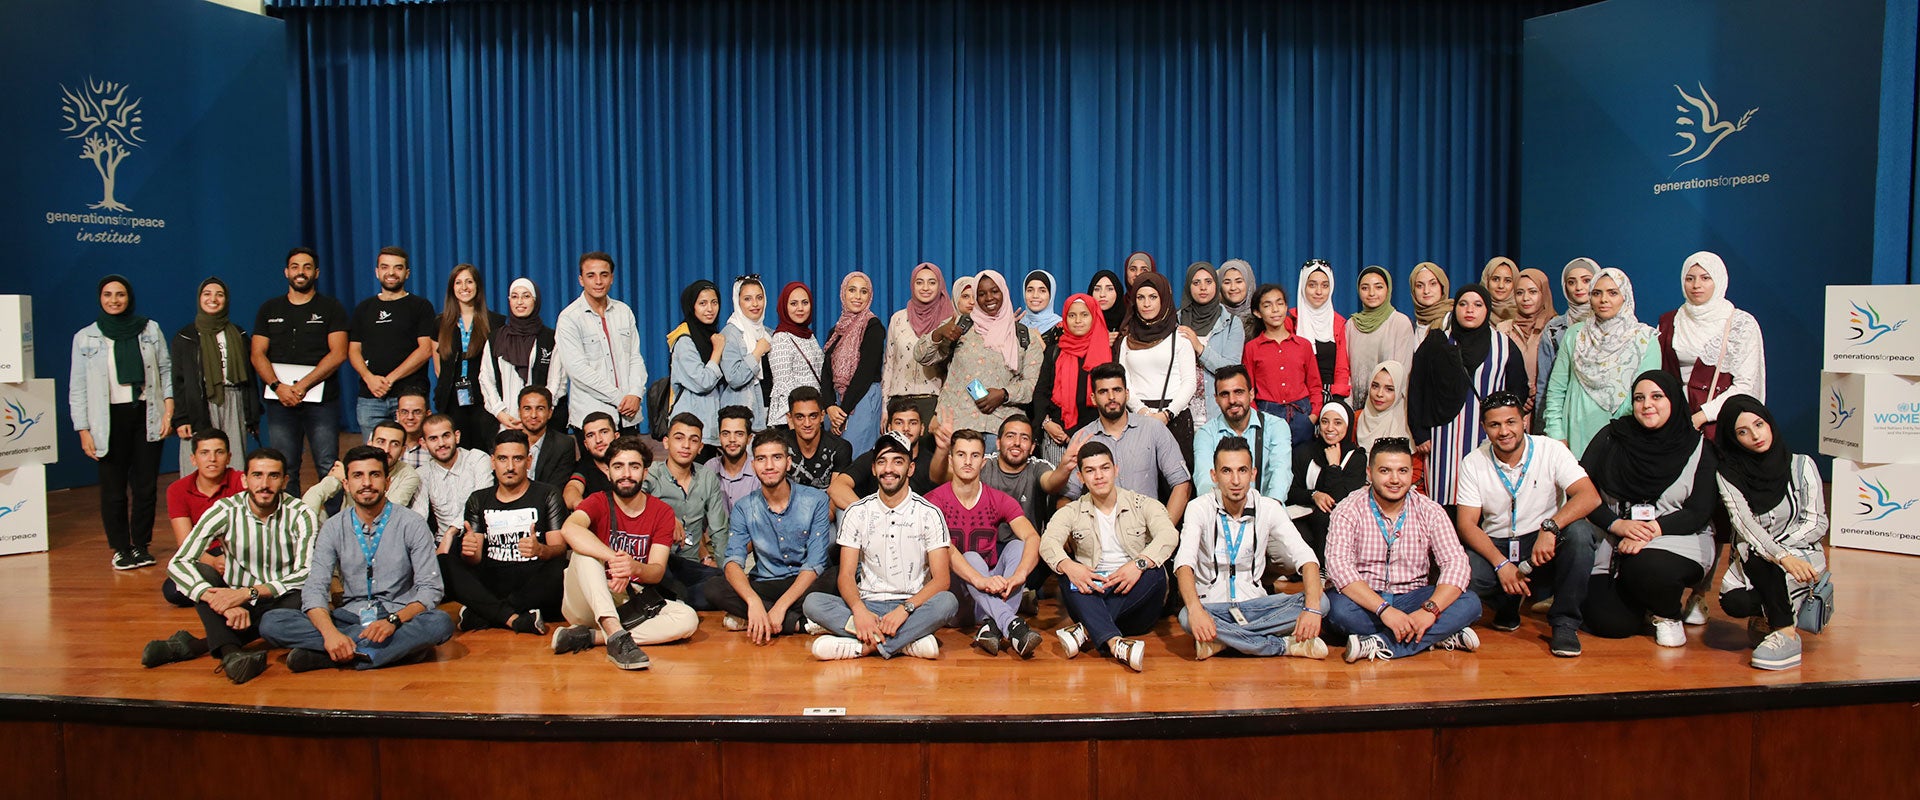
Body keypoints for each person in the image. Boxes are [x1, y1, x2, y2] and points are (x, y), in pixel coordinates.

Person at [261, 445, 455, 671]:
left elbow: (430, 590)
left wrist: (394, 621)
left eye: (374, 475)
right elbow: (315, 590)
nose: (366, 483)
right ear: (346, 484)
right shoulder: (333, 527)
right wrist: (331, 634)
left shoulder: (412, 524)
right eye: (357, 476)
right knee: (272, 622)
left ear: (387, 482)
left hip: (398, 618)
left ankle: (329, 656)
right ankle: (381, 652)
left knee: (439, 623)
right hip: (350, 617)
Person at [141, 447, 319, 684]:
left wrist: (248, 593)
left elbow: (306, 573)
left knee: (297, 601)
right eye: (257, 475)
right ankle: (232, 655)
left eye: (273, 476)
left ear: (285, 481)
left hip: (279, 596)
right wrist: (220, 602)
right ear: (244, 479)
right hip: (233, 597)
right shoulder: (224, 510)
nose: (264, 484)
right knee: (201, 574)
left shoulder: (301, 514)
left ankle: (196, 646)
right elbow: (179, 562)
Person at [1453, 392, 1602, 657]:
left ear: (1524, 420)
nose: (1504, 431)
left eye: (1510, 422)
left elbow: (1589, 496)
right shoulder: (1473, 462)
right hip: (1497, 545)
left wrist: (1551, 527)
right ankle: (1507, 604)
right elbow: (1467, 525)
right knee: (1466, 573)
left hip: (1541, 542)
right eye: (1494, 425)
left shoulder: (1551, 449)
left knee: (1580, 534)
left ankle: (1565, 623)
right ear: (1484, 427)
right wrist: (1501, 565)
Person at [1579, 371, 1718, 648]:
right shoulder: (1612, 436)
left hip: (1678, 538)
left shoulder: (1699, 447)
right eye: (1639, 398)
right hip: (1616, 537)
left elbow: (1698, 511)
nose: (1647, 405)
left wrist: (1649, 531)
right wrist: (1617, 525)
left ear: (1674, 401)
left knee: (1647, 567)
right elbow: (1582, 491)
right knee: (1609, 624)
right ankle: (1644, 602)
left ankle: (1668, 615)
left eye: (1657, 397)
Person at [803, 432, 959, 660]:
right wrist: (859, 611)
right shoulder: (857, 512)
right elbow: (846, 576)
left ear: (910, 468)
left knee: (947, 602)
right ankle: (905, 643)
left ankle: (863, 646)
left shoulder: (929, 513)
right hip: (868, 603)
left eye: (898, 461)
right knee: (813, 603)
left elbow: (942, 579)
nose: (889, 469)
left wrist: (904, 610)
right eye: (882, 461)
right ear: (874, 469)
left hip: (912, 607)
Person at [549, 436, 700, 669]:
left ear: (645, 472)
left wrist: (634, 568)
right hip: (585, 601)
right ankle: (616, 637)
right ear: (608, 473)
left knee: (687, 620)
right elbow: (570, 528)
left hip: (628, 601)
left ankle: (592, 637)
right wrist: (614, 560)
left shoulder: (661, 512)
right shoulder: (597, 501)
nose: (626, 473)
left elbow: (656, 572)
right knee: (584, 554)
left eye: (634, 466)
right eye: (618, 466)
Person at [1324, 438, 1481, 662]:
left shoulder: (1430, 510)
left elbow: (1455, 563)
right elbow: (1340, 568)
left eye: (1402, 471)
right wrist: (1385, 611)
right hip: (1366, 600)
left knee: (1470, 602)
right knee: (1336, 610)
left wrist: (1430, 611)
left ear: (1411, 473)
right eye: (1385, 471)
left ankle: (1380, 643)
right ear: (1369, 473)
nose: (1395, 480)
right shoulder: (1348, 509)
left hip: (1413, 599)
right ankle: (1433, 635)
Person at [1177, 437, 1329, 660]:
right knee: (1186, 616)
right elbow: (1184, 564)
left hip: (1256, 605)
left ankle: (1223, 641)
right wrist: (1197, 611)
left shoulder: (1268, 507)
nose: (1236, 480)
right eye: (1227, 471)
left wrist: (1313, 609)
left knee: (1322, 602)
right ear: (1214, 475)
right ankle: (1282, 645)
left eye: (1242, 470)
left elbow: (1306, 557)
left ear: (1253, 474)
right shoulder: (1198, 508)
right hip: (1214, 607)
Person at [1713, 396, 1827, 670]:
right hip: (1758, 557)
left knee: (1763, 560)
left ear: (1769, 422)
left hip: (1802, 555)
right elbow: (1744, 524)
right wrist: (1779, 555)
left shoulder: (1801, 465)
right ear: (1732, 438)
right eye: (1742, 432)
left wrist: (1785, 553)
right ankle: (1779, 618)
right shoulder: (1728, 473)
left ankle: (1784, 632)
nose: (1755, 435)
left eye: (1759, 424)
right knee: (1735, 600)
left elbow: (1816, 523)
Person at [1041, 441, 1176, 671]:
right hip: (1092, 592)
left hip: (1136, 602)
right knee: (1067, 573)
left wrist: (1138, 564)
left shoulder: (1141, 504)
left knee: (1155, 572)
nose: (1099, 476)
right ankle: (1116, 643)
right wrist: (1068, 565)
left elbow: (1169, 535)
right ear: (1081, 477)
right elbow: (1048, 541)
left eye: (1104, 468)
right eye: (1090, 471)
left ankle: (1085, 630)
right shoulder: (1072, 511)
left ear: (1116, 469)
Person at [71, 274, 172, 570]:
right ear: (100, 299)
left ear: (129, 298)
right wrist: (83, 430)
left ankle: (140, 545)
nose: (114, 300)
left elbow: (166, 371)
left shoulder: (150, 329)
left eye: (120, 294)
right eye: (107, 295)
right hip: (107, 420)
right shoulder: (86, 337)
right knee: (113, 490)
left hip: (145, 413)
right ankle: (120, 548)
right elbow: (77, 387)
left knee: (145, 487)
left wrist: (168, 410)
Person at [701, 429, 837, 642]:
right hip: (767, 583)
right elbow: (733, 562)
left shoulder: (815, 500)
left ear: (788, 462)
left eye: (777, 458)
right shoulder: (744, 507)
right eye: (762, 459)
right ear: (754, 465)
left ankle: (762, 619)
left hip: (806, 583)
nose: (770, 466)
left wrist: (780, 607)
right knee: (713, 587)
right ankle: (800, 624)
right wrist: (753, 602)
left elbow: (815, 564)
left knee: (837, 576)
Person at [1407, 284, 1529, 507]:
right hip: (1443, 438)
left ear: (1487, 309)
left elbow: (1518, 391)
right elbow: (1417, 387)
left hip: (1489, 437)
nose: (1469, 310)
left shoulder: (1504, 345)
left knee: (1486, 498)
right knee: (1446, 500)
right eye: (1463, 304)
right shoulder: (1437, 342)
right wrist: (1420, 433)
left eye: (1477, 305)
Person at [928, 429, 1044, 658]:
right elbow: (945, 552)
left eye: (974, 455)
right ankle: (1011, 624)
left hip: (990, 598)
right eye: (961, 455)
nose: (968, 461)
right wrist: (980, 580)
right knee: (970, 556)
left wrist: (1020, 575)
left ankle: (992, 627)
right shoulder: (933, 501)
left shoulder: (997, 499)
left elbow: (1033, 537)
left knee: (1018, 547)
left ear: (984, 461)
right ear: (951, 460)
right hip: (956, 601)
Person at [444, 430, 569, 635]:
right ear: (493, 462)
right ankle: (514, 619)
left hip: (534, 582)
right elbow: (474, 560)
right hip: (493, 580)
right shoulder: (478, 499)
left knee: (559, 569)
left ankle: (485, 613)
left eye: (517, 459)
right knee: (444, 562)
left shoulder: (548, 494)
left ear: (528, 462)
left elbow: (560, 549)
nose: (510, 467)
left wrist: (541, 550)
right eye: (503, 459)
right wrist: (469, 551)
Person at [253, 247, 349, 492]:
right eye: (295, 267)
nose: (300, 272)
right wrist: (278, 387)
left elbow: (338, 353)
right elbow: (257, 353)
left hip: (321, 401)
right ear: (286, 272)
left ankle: (333, 527)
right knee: (284, 467)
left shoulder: (331, 308)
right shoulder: (269, 309)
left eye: (307, 267)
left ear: (316, 273)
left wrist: (302, 385)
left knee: (328, 465)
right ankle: (291, 527)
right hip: (280, 401)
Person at [1051, 363, 1194, 524]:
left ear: (1126, 394)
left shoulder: (1153, 429)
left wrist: (1162, 535)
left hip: (1145, 534)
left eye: (1117, 390)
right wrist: (1070, 533)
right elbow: (1066, 496)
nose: (1111, 397)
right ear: (1093, 398)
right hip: (1097, 538)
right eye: (1103, 392)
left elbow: (1182, 485)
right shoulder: (1082, 438)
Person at [1541, 268, 1660, 458]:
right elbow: (1556, 389)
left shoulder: (1645, 339)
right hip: (1576, 435)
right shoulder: (1575, 335)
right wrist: (1556, 434)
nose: (1604, 299)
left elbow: (1648, 397)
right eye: (1597, 293)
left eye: (1613, 293)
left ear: (1625, 297)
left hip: (1626, 437)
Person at [918, 270, 1042, 453]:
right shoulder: (961, 325)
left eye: (994, 291)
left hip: (1001, 429)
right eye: (981, 294)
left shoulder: (1025, 336)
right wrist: (938, 334)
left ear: (1004, 292)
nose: (988, 298)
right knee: (958, 481)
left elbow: (1031, 386)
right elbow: (922, 356)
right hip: (958, 426)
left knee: (997, 482)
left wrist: (1004, 394)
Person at [1659, 251, 1766, 440]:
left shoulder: (1740, 324)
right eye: (1689, 278)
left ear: (1719, 280)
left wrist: (1702, 416)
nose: (1696, 285)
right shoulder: (1669, 321)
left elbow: (1745, 385)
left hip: (1720, 420)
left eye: (1705, 278)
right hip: (1673, 420)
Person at [170, 276, 260, 475]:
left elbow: (250, 378)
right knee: (198, 465)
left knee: (235, 463)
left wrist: (252, 416)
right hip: (199, 404)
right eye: (207, 294)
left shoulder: (238, 334)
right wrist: (182, 418)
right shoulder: (185, 337)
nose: (213, 299)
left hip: (233, 400)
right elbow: (178, 380)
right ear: (199, 298)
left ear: (226, 299)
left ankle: (233, 505)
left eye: (219, 295)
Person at [646, 413, 731, 610]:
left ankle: (676, 601)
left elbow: (719, 530)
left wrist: (727, 570)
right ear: (666, 442)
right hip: (657, 562)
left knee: (726, 581)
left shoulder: (707, 477)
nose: (686, 445)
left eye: (693, 440)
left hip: (690, 566)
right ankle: (675, 600)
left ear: (700, 447)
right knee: (661, 578)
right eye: (679, 438)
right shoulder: (651, 473)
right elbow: (634, 504)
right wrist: (666, 516)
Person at [348, 246, 437, 434]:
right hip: (370, 397)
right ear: (377, 271)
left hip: (410, 396)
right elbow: (353, 350)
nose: (391, 273)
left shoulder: (421, 307)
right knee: (374, 457)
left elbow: (425, 349)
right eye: (385, 267)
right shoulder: (363, 309)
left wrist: (390, 379)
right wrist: (369, 378)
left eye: (398, 268)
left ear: (407, 273)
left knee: (414, 455)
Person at [556, 251, 647, 432]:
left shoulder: (624, 311)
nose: (598, 281)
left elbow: (635, 358)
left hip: (628, 416)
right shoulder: (569, 317)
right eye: (591, 276)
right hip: (592, 418)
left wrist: (635, 393)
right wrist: (620, 398)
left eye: (604, 275)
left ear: (611, 278)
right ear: (581, 280)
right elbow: (578, 371)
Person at [1116, 270, 1197, 463]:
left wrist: (1167, 414)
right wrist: (1142, 412)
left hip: (1175, 416)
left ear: (1163, 299)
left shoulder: (1181, 338)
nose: (1146, 303)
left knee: (1177, 483)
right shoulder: (1127, 340)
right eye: (1140, 297)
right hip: (1136, 417)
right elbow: (1123, 381)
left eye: (1153, 297)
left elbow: (1189, 382)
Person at [161, 430, 248, 607]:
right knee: (172, 590)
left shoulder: (242, 481)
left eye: (219, 452)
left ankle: (229, 589)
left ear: (229, 457)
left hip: (242, 553)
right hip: (205, 555)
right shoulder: (177, 490)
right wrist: (214, 562)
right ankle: (228, 590)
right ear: (193, 459)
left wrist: (232, 560)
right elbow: (185, 542)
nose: (212, 459)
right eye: (204, 453)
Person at [480, 278, 567, 439]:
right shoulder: (495, 338)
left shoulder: (550, 338)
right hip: (505, 423)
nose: (520, 302)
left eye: (526, 296)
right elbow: (486, 379)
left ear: (536, 301)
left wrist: (539, 413)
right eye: (514, 296)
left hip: (541, 424)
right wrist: (500, 413)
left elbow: (557, 381)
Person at [829, 398, 951, 511]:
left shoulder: (932, 462)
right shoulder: (875, 457)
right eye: (899, 423)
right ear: (889, 427)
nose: (906, 428)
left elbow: (946, 479)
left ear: (922, 429)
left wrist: (942, 451)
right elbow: (837, 488)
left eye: (913, 423)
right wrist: (870, 515)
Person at [1032, 293, 1112, 462]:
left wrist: (1080, 433)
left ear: (1094, 317)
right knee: (1057, 487)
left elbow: (1108, 397)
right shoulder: (1054, 351)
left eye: (1084, 315)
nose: (1078, 321)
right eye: (1072, 315)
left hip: (1095, 436)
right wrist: (1046, 423)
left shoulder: (1105, 351)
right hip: (1056, 436)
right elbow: (1041, 392)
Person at [432, 263, 506, 448]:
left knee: (484, 450)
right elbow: (438, 366)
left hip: (483, 400)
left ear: (477, 286)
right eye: (458, 283)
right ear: (452, 288)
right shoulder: (440, 323)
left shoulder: (496, 322)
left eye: (469, 282)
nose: (464, 287)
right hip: (452, 402)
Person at [1193, 365, 1292, 501]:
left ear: (1251, 394)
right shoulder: (1206, 434)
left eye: (1238, 392)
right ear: (1216, 399)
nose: (1232, 400)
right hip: (1222, 514)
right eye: (1225, 394)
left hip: (1269, 510)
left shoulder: (1276, 426)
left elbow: (1281, 476)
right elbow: (1205, 483)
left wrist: (1267, 514)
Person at [300, 419, 428, 523]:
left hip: (384, 533)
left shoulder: (409, 475)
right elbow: (315, 494)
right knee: (317, 515)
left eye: (394, 444)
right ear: (370, 444)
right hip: (346, 529)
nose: (386, 450)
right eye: (381, 442)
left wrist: (350, 481)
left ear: (402, 450)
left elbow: (384, 513)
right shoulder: (354, 463)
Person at [1288, 399, 1368, 560]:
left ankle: (1326, 571)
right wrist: (1314, 495)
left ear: (1348, 425)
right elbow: (1290, 491)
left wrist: (1333, 467)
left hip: (1340, 525)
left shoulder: (1356, 458)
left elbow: (1340, 499)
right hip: (1304, 516)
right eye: (1325, 421)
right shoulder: (1304, 451)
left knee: (1324, 517)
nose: (1330, 428)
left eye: (1337, 423)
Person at [1242, 283, 1320, 446]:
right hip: (1268, 413)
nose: (1275, 309)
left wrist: (1312, 417)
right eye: (1267, 305)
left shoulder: (1303, 345)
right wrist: (1257, 417)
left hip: (1301, 412)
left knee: (1301, 464)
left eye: (1280, 303)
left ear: (1286, 307)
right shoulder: (1252, 348)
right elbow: (1248, 389)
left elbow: (1314, 386)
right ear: (1257, 312)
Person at [667, 279, 740, 449]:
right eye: (702, 303)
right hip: (691, 430)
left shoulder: (711, 336)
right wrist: (717, 351)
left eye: (714, 302)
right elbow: (703, 382)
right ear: (691, 306)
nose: (710, 309)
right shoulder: (684, 340)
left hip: (711, 428)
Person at [882, 262, 955, 428]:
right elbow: (889, 365)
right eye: (919, 282)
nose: (925, 287)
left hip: (932, 404)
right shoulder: (898, 319)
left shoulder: (948, 321)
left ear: (940, 286)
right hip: (898, 402)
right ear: (912, 285)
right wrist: (885, 408)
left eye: (932, 282)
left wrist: (942, 410)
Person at [822, 272, 887, 452]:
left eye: (863, 292)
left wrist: (842, 412)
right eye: (852, 290)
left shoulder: (873, 326)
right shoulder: (835, 331)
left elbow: (864, 374)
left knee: (855, 458)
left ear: (870, 296)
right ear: (843, 293)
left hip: (861, 400)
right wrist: (829, 407)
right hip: (836, 406)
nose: (857, 297)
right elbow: (826, 373)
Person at [1178, 261, 1245, 428]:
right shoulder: (1177, 320)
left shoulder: (1231, 323)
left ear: (1216, 285)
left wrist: (1199, 347)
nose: (1203, 287)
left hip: (1218, 414)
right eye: (1196, 282)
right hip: (1182, 413)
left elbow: (1231, 370)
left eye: (1208, 282)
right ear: (1188, 286)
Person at [417, 413, 495, 545]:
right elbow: (419, 517)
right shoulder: (422, 473)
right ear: (423, 443)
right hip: (442, 543)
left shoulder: (478, 459)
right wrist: (430, 549)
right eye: (433, 439)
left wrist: (452, 531)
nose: (441, 443)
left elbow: (482, 503)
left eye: (446, 436)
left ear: (457, 436)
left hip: (480, 539)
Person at [1536, 258, 1597, 424]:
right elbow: (1545, 383)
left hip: (1601, 413)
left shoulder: (1610, 324)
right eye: (1571, 282)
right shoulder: (1554, 329)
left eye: (1586, 280)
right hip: (1563, 416)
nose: (1579, 287)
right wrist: (1543, 427)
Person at [1287, 259, 1352, 408]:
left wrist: (1337, 401)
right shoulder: (1291, 320)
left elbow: (1342, 367)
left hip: (1331, 397)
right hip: (1298, 399)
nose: (1318, 292)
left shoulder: (1339, 322)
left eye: (1325, 285)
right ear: (1303, 286)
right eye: (1312, 285)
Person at [1345, 266, 1416, 401]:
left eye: (1378, 287)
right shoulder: (1351, 325)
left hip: (1389, 406)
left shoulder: (1400, 322)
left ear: (1388, 289)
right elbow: (1346, 371)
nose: (1371, 293)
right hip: (1357, 408)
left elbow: (1402, 373)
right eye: (1365, 288)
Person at [1497, 268, 1556, 425]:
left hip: (1545, 408)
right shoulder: (1503, 329)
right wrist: (1520, 396)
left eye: (1533, 292)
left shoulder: (1555, 329)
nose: (1525, 298)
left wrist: (1536, 396)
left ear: (1544, 294)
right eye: (1519, 292)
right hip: (1511, 409)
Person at [1354, 361, 1425, 490]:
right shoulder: (1357, 418)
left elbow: (1415, 472)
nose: (1379, 394)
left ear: (1400, 391)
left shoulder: (1410, 424)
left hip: (1402, 493)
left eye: (1389, 389)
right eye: (1375, 386)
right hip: (1361, 490)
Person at [765, 280, 824, 427]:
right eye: (793, 304)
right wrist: (795, 418)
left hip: (811, 414)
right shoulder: (781, 338)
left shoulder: (809, 336)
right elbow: (783, 384)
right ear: (784, 306)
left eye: (805, 303)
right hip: (791, 419)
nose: (800, 308)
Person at [719, 275, 772, 428]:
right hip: (742, 415)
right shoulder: (730, 334)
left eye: (759, 297)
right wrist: (757, 352)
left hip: (767, 413)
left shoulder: (768, 333)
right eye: (747, 299)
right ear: (738, 301)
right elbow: (735, 378)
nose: (755, 304)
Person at [784, 386, 853, 492]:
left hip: (826, 506)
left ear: (822, 416)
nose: (807, 424)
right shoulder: (779, 445)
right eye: (800, 417)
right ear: (790, 418)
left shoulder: (839, 448)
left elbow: (835, 495)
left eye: (813, 416)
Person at [512, 387, 575, 487]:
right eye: (527, 409)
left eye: (540, 409)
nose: (533, 415)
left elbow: (556, 488)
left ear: (550, 412)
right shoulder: (507, 443)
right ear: (519, 412)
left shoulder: (563, 445)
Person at [705, 405, 758, 510]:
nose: (732, 439)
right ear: (719, 437)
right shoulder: (710, 468)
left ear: (749, 438)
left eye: (739, 434)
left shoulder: (759, 469)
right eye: (726, 434)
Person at [563, 411, 619, 509]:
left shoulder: (631, 460)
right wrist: (585, 509)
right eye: (591, 435)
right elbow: (572, 489)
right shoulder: (584, 466)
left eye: (604, 432)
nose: (598, 440)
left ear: (616, 436)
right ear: (586, 444)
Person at [1407, 261, 1452, 343]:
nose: (1426, 291)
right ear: (1413, 291)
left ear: (1442, 287)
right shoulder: (1410, 327)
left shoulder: (1453, 320)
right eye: (1419, 286)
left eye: (1433, 284)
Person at [1021, 269, 1064, 342]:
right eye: (1030, 290)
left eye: (1042, 291)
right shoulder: (1018, 325)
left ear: (1051, 295)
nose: (1035, 295)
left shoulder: (1061, 328)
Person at [1086, 270, 1127, 347]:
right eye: (1097, 289)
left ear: (1118, 292)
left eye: (1110, 289)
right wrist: (1097, 342)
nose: (1102, 294)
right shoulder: (1082, 323)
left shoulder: (1129, 322)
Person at [394, 389, 432, 470]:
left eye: (417, 412)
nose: (410, 417)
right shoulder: (383, 439)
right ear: (397, 415)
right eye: (404, 412)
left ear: (427, 415)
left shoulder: (437, 443)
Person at [1481, 257, 1520, 326]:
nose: (1501, 286)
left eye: (1507, 281)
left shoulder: (1523, 315)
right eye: (1495, 279)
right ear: (1486, 281)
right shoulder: (1474, 311)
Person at [1216, 259, 1255, 324]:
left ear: (1249, 284)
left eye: (1239, 281)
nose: (1233, 288)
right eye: (1227, 282)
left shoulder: (1261, 317)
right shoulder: (1212, 318)